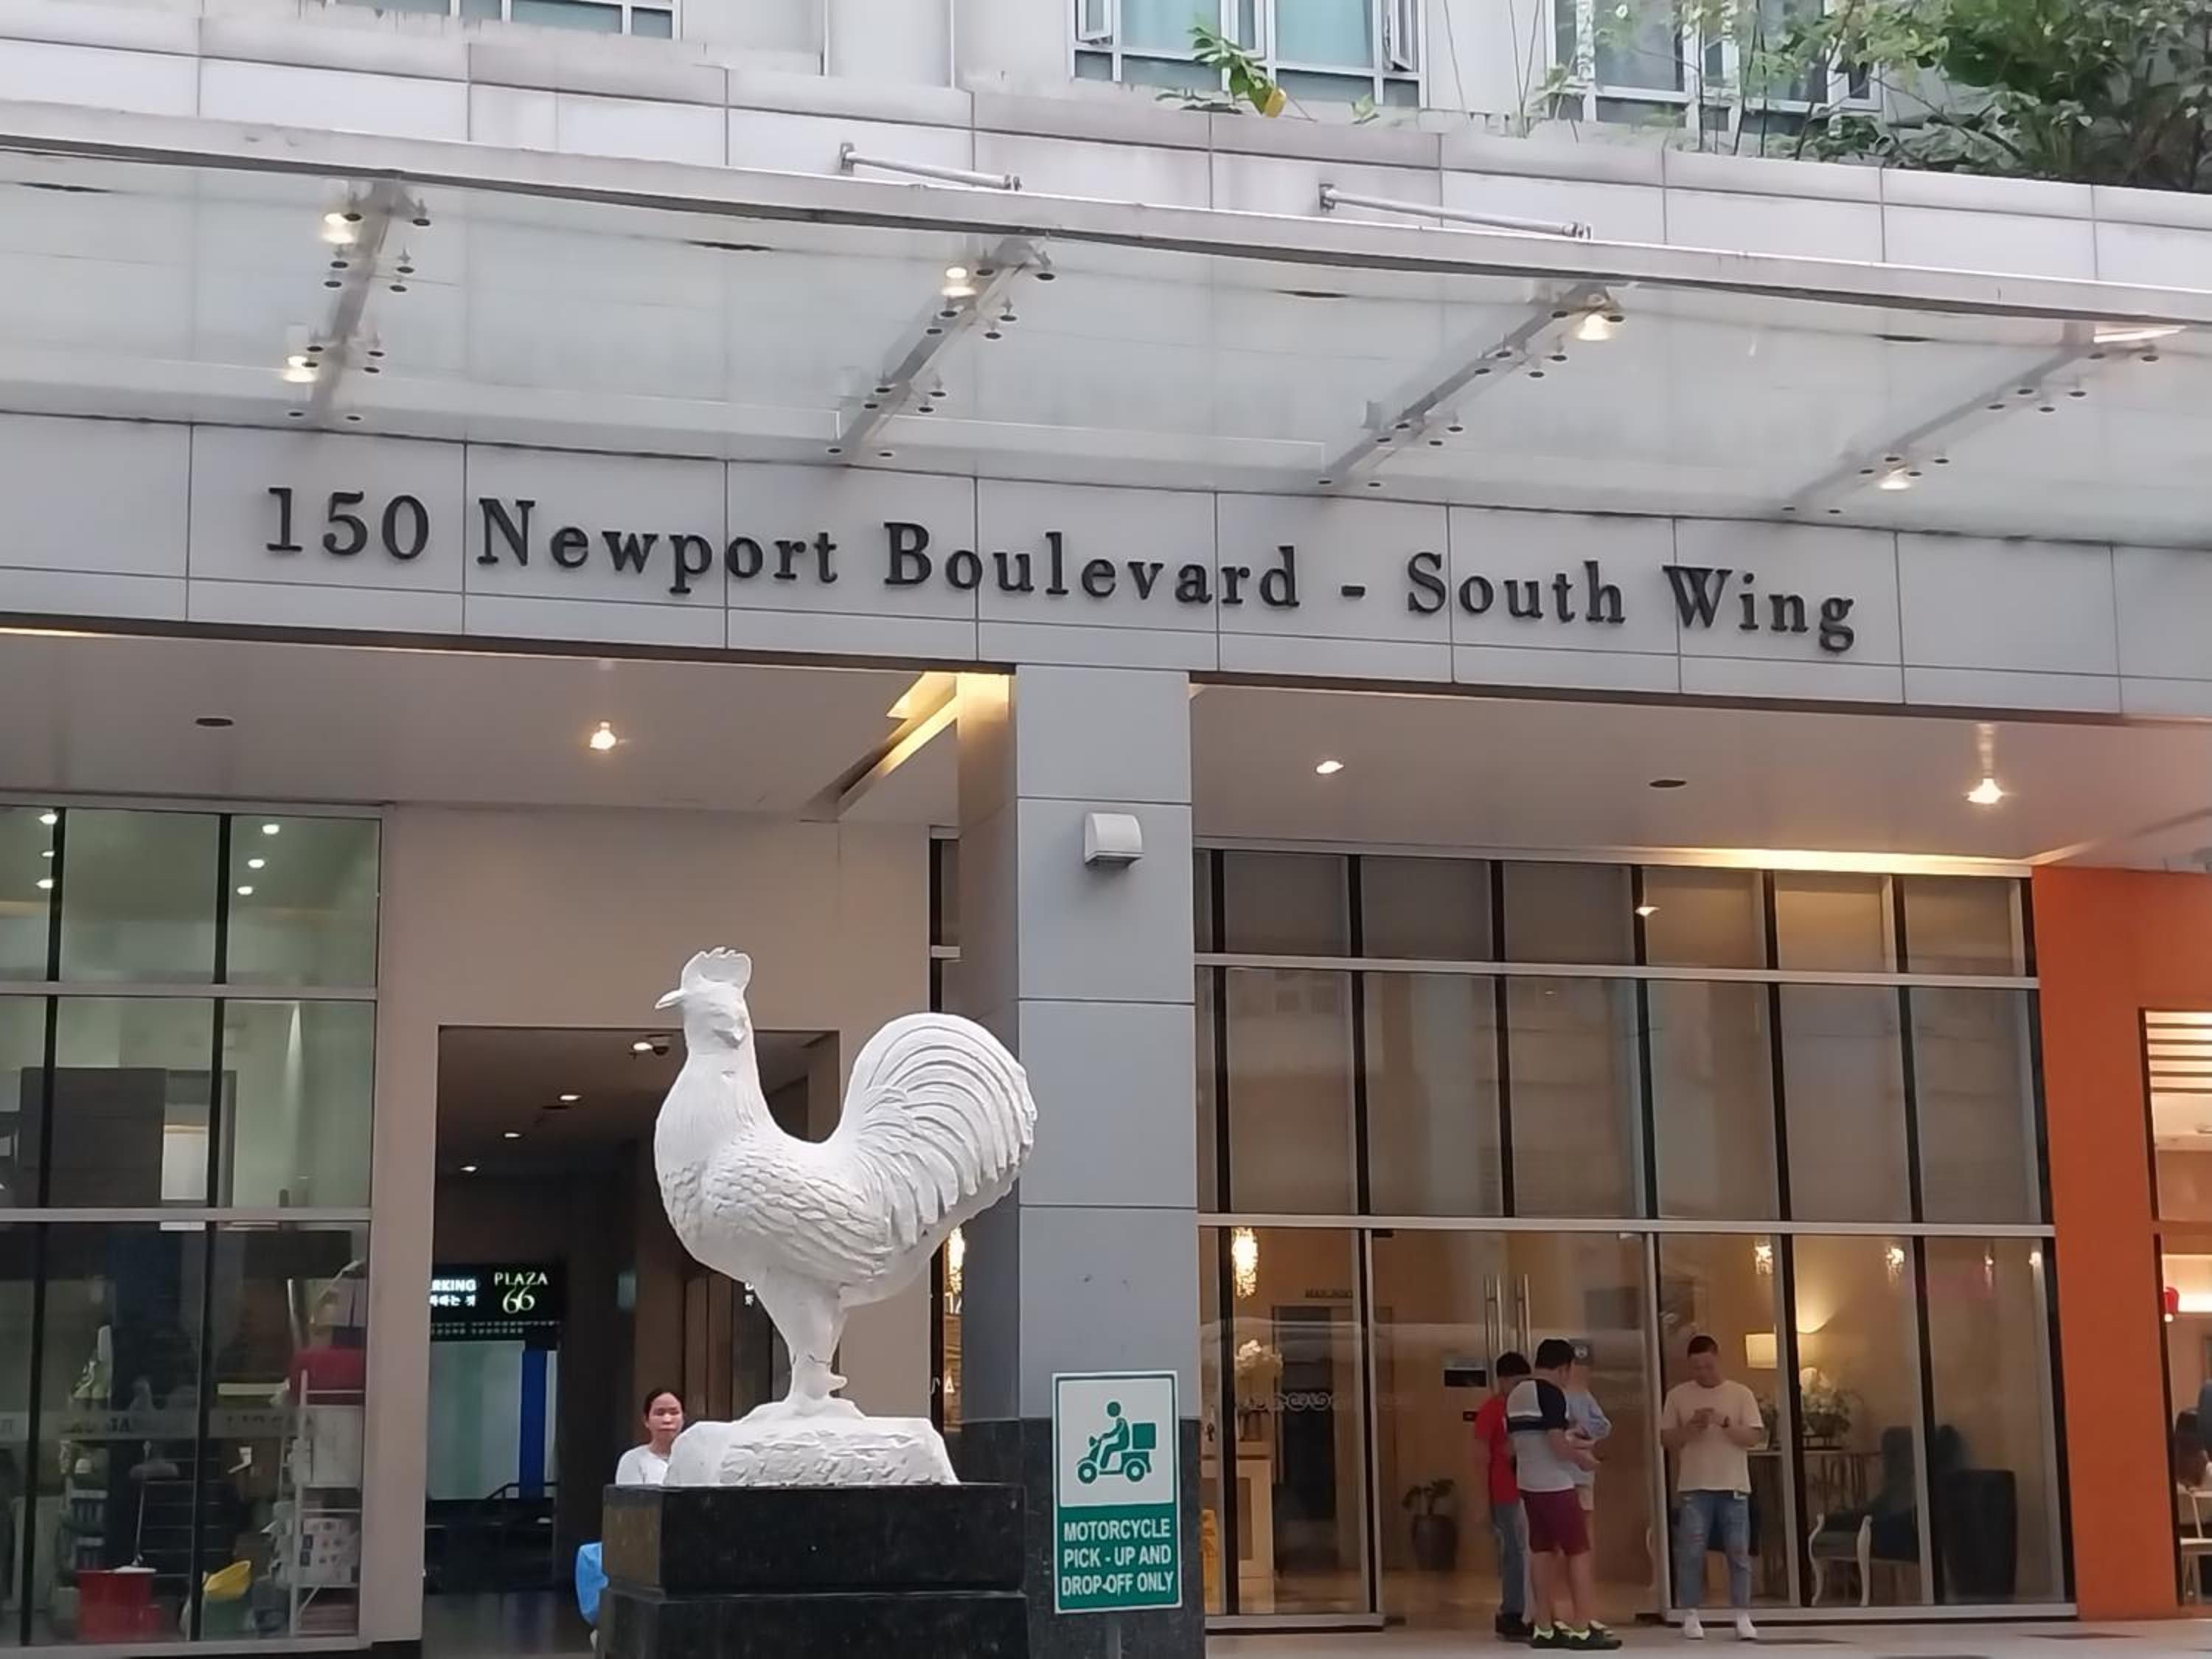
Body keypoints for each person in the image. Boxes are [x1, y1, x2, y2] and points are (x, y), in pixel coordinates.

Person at [1507, 1338, 1618, 1651]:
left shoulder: (1517, 1394)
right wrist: (1584, 1460)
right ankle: (1582, 1626)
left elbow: (1520, 1441)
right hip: (1555, 1484)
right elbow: (1557, 1443)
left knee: (1542, 1551)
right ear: (1564, 1367)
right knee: (1578, 1550)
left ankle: (1543, 1626)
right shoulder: (1551, 1394)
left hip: (1528, 1482)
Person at [1660, 1335, 1764, 1642]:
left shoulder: (1740, 1394)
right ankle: (1691, 1614)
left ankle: (1742, 1615)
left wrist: (1725, 1423)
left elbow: (1753, 1437)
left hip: (1734, 1485)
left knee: (1738, 1551)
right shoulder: (1678, 1396)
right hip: (1695, 1486)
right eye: (1696, 1368)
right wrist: (1690, 1429)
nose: (1702, 1373)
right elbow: (1666, 1439)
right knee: (1692, 1552)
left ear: (1718, 1359)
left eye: (1707, 1366)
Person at [1472, 1351, 1533, 1640]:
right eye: (1517, 1383)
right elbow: (1480, 1456)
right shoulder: (1491, 1410)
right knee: (1515, 1552)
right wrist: (1483, 1501)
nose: (1521, 1389)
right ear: (1503, 1381)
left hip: (1527, 1489)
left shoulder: (1525, 1409)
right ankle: (1512, 1610)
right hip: (1505, 1491)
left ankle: (1528, 1609)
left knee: (1526, 1551)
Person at [615, 1387, 685, 1487]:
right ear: (646, 1420)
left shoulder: (696, 1459)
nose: (667, 1420)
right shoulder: (632, 1460)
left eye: (674, 1413)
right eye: (659, 1413)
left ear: (683, 1418)